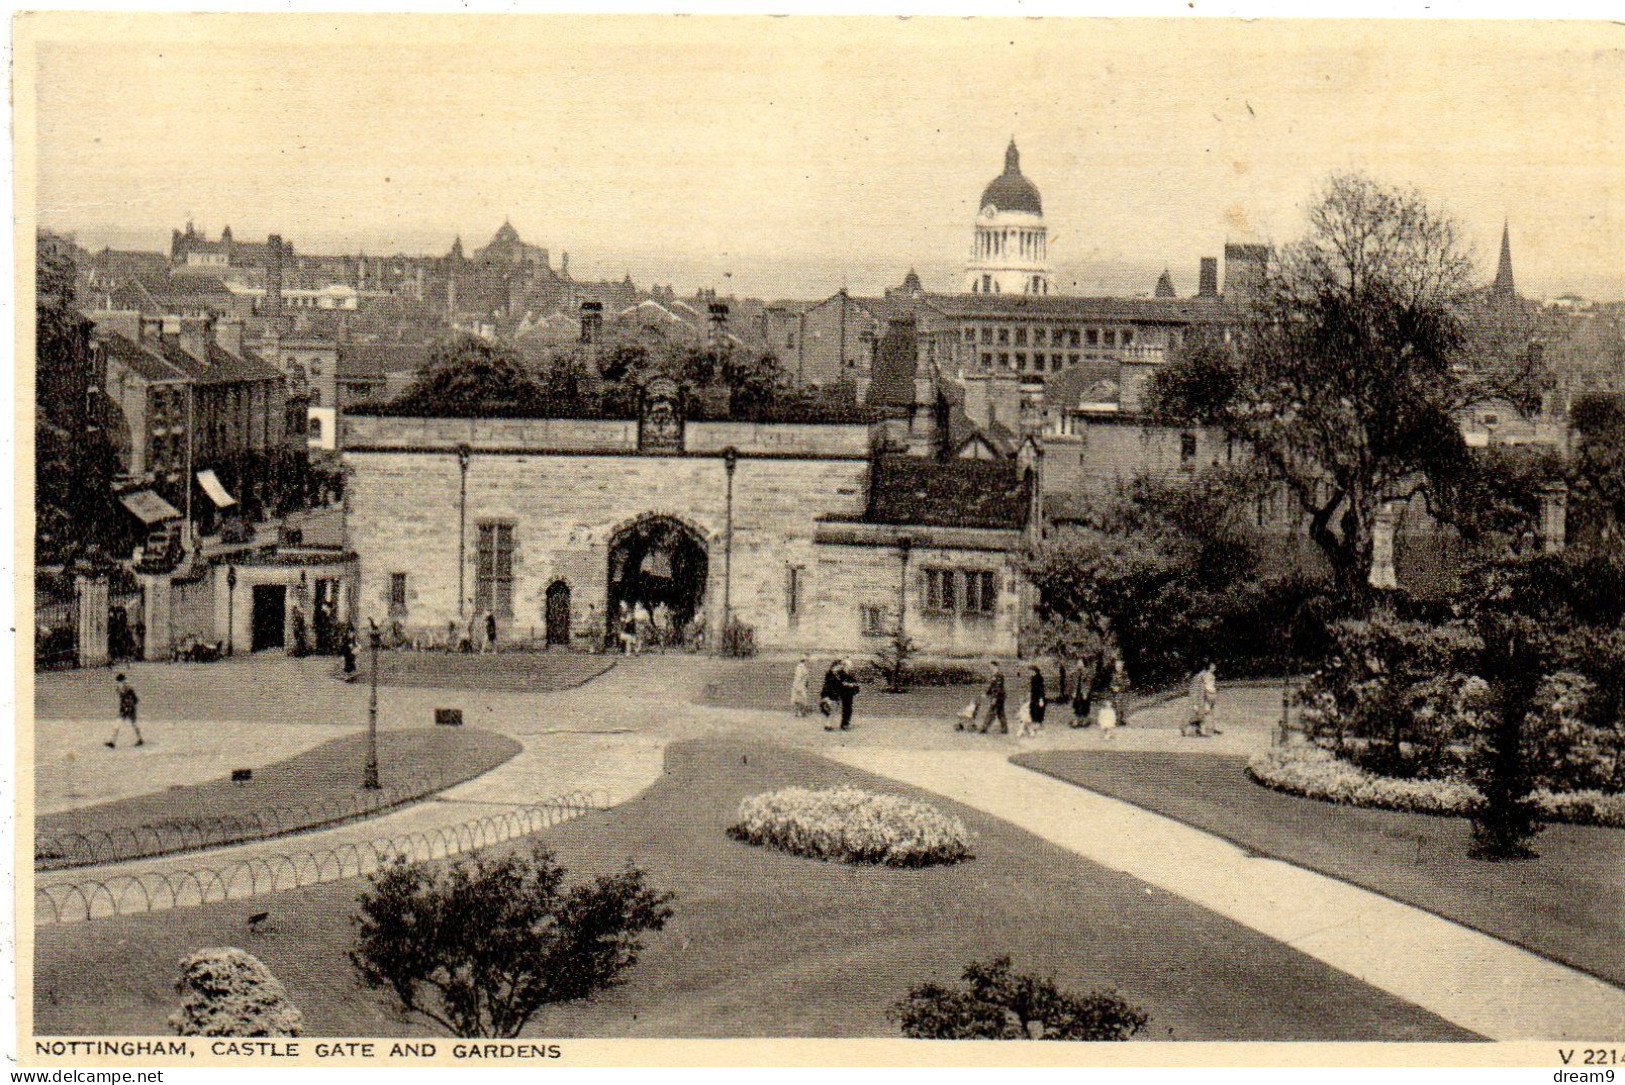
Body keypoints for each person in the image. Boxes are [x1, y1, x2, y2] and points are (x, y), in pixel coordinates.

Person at [1182, 661, 1221, 737]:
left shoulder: (1201, 677)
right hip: (1199, 699)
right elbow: (1195, 691)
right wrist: (1195, 703)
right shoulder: (1198, 678)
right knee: (1197, 715)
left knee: (1201, 715)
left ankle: (1199, 730)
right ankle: (1185, 728)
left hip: (1202, 698)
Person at [106, 673, 144, 748]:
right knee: (122, 724)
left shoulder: (128, 688)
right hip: (125, 709)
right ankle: (112, 741)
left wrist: (129, 705)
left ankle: (139, 739)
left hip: (129, 709)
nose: (120, 683)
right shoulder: (121, 688)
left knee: (129, 724)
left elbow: (134, 699)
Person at [1070, 652, 1096, 728]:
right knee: (1076, 705)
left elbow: (1088, 683)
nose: (1079, 664)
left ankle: (1085, 719)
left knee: (1085, 705)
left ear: (1084, 663)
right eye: (1078, 663)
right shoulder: (1075, 673)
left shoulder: (1087, 672)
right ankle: (1077, 719)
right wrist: (1073, 692)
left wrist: (1086, 692)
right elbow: (1073, 683)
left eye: (1081, 663)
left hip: (1084, 692)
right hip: (1077, 692)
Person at [980, 662, 1008, 734]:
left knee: (991, 712)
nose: (989, 668)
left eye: (990, 666)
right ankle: (1004, 729)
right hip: (999, 697)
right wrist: (986, 693)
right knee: (1000, 713)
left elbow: (997, 688)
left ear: (994, 666)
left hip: (999, 697)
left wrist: (995, 698)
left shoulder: (999, 675)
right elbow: (992, 686)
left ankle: (984, 728)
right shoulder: (994, 675)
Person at [835, 657, 861, 731]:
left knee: (848, 708)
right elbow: (840, 683)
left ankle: (846, 723)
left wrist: (852, 684)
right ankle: (844, 724)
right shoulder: (841, 674)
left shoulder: (849, 674)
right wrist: (848, 684)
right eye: (849, 665)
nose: (850, 667)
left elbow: (855, 683)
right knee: (846, 708)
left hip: (849, 693)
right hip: (844, 693)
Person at [819, 661, 843, 731]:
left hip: (831, 695)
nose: (840, 667)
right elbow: (829, 686)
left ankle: (828, 724)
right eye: (839, 666)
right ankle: (828, 725)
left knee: (832, 710)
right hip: (830, 695)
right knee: (832, 710)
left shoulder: (833, 674)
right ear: (834, 667)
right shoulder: (831, 675)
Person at [1028, 665, 1047, 731]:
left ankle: (1038, 724)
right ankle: (1036, 724)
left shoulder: (1039, 678)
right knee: (1033, 710)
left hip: (1038, 697)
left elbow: (1041, 689)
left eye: (1030, 671)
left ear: (1034, 671)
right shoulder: (1033, 678)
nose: (1029, 673)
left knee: (1038, 710)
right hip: (1034, 697)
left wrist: (1041, 699)